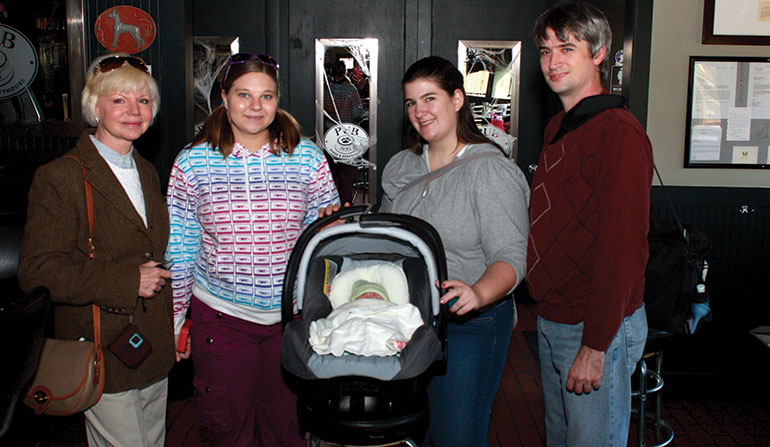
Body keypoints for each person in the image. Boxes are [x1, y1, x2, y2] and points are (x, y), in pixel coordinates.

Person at [165, 52, 339, 447]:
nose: (255, 107)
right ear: (223, 97)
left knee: (288, 430)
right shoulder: (192, 162)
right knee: (227, 430)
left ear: (278, 101)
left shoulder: (307, 157)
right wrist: (176, 317)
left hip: (290, 319)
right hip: (221, 317)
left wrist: (328, 304)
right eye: (244, 95)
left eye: (267, 96)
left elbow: (325, 244)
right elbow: (181, 244)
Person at [18, 54, 174, 447]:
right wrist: (127, 280)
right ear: (95, 105)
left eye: (143, 100)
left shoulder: (146, 170)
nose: (134, 110)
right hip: (102, 344)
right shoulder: (62, 176)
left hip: (150, 344)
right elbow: (37, 272)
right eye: (119, 100)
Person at [379, 55, 530, 446]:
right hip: (408, 320)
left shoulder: (490, 171)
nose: (419, 112)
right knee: (417, 433)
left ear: (458, 99)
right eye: (411, 103)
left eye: (430, 99)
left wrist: (478, 292)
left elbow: (511, 257)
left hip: (469, 325)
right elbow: (386, 238)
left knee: (456, 436)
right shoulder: (400, 166)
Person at [527, 2, 653, 446]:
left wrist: (596, 344)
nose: (553, 61)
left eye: (567, 48)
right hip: (554, 318)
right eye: (545, 51)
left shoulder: (617, 132)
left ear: (598, 53)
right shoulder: (561, 126)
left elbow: (624, 250)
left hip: (595, 326)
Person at [309, 263, 424, 357]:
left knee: (390, 330)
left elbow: (411, 318)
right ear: (353, 299)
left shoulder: (396, 309)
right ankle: (342, 347)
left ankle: (394, 343)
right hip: (352, 323)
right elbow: (330, 323)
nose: (369, 295)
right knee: (339, 333)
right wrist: (317, 331)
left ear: (385, 298)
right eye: (363, 294)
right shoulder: (345, 309)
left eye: (375, 293)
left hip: (385, 323)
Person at [323, 60, 365, 204]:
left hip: (328, 134)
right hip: (346, 134)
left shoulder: (324, 89)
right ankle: (346, 206)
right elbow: (357, 113)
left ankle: (332, 204)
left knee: (331, 172)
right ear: (344, 71)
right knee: (346, 173)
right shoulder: (351, 90)